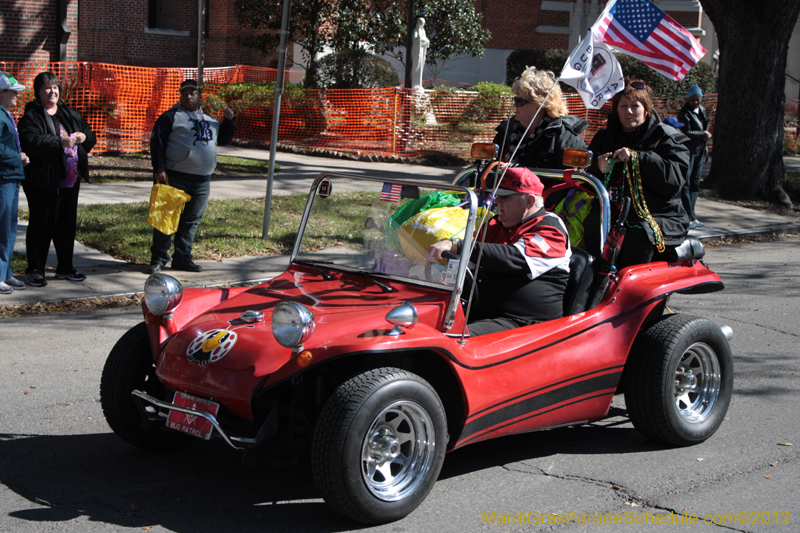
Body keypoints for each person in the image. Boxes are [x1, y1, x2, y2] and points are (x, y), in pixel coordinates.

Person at [427, 166, 571, 336]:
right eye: (495, 196)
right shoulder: (495, 225)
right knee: (419, 326)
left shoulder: (550, 228)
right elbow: (470, 263)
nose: (497, 202)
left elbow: (514, 257)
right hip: (480, 312)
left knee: (452, 340)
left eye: (504, 197)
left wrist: (458, 245)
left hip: (525, 323)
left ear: (529, 202)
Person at [586, 79, 690, 270]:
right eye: (623, 106)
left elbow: (674, 181)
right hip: (613, 212)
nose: (629, 111)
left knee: (638, 233)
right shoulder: (604, 137)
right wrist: (597, 166)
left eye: (635, 106)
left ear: (647, 109)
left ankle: (630, 294)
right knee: (591, 223)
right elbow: (584, 171)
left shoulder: (667, 138)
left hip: (660, 216)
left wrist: (639, 158)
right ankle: (591, 286)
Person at [148, 79, 236, 274]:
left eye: (193, 93)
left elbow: (223, 139)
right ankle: (158, 259)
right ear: (180, 96)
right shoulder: (170, 117)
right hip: (173, 176)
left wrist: (229, 121)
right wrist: (159, 168)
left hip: (202, 180)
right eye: (185, 93)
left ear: (199, 96)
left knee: (191, 221)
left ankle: (182, 258)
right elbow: (157, 143)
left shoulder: (210, 121)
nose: (189, 96)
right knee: (165, 218)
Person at [18, 71, 96, 287]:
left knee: (66, 226)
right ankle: (35, 270)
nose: (52, 91)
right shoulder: (31, 116)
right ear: (38, 92)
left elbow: (90, 135)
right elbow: (31, 141)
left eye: (55, 87)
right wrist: (57, 142)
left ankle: (65, 267)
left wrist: (83, 137)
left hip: (70, 181)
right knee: (41, 226)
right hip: (44, 182)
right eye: (47, 87)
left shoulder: (69, 114)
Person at [493, 67, 588, 169]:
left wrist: (521, 173)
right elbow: (484, 171)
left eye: (520, 101)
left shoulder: (564, 136)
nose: (515, 105)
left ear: (539, 105)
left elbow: (574, 179)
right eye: (515, 99)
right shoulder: (506, 130)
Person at [0, 72, 30, 294]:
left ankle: (6, 272)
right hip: (3, 178)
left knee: (9, 228)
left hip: (10, 178)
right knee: (3, 228)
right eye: (13, 92)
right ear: (1, 92)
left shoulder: (5, 113)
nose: (17, 96)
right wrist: (17, 156)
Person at [678, 85, 712, 229]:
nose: (695, 103)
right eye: (692, 100)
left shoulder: (702, 110)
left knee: (695, 183)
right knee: (686, 183)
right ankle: (687, 215)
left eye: (697, 99)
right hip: (689, 151)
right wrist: (702, 135)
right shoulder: (685, 113)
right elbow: (686, 132)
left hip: (700, 150)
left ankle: (692, 214)